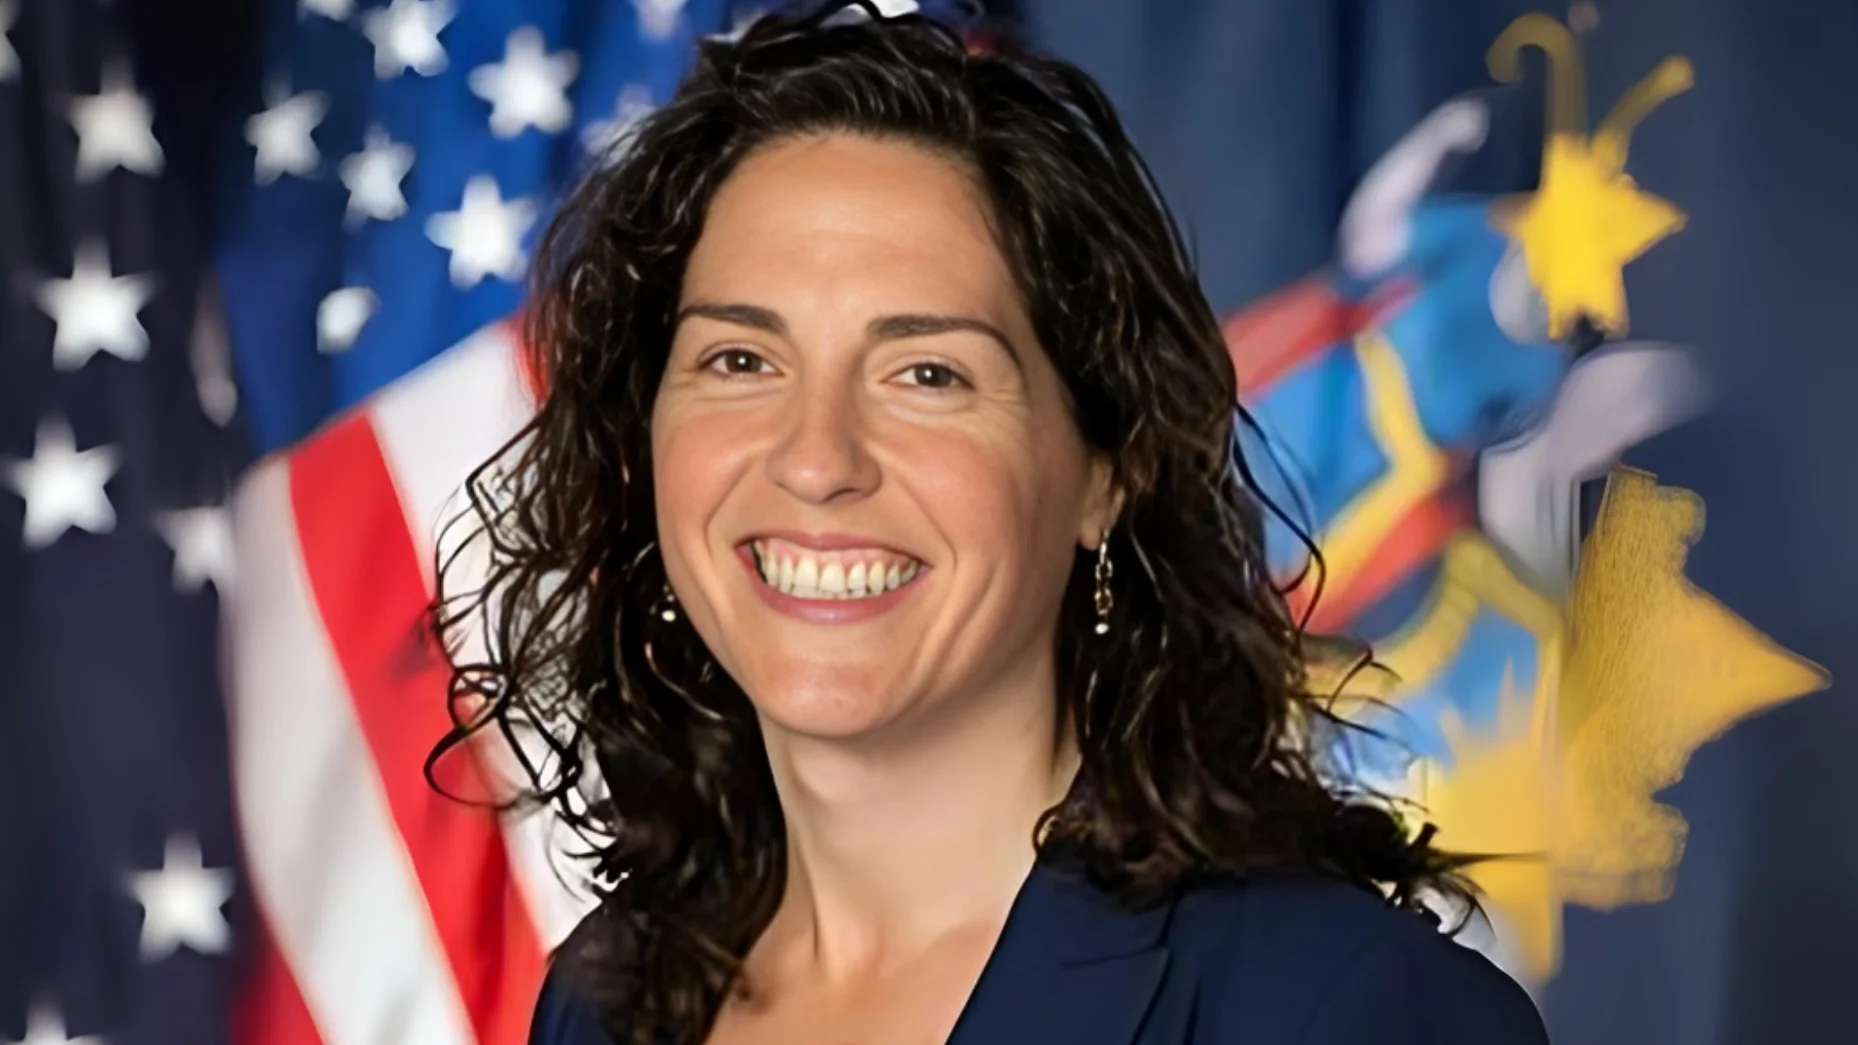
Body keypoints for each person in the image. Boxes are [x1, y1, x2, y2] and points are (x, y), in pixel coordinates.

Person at [432, 3, 1553, 1043]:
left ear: (1108, 471)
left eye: (928, 374)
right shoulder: (607, 1002)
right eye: (740, 359)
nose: (815, 460)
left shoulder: (1348, 1008)